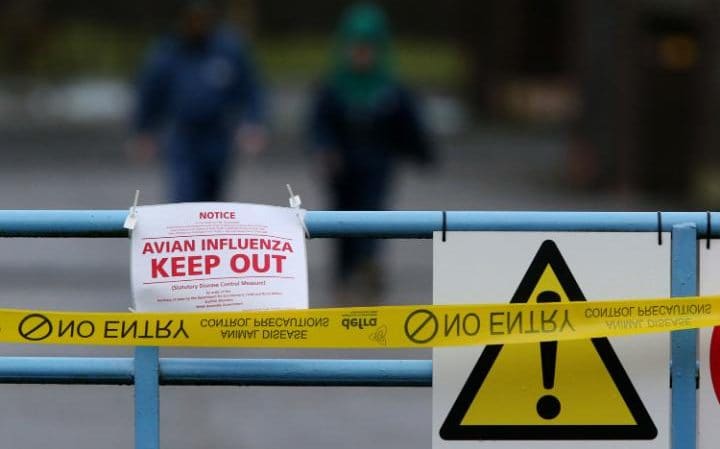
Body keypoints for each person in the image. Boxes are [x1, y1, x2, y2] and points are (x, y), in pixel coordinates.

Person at [309, 3, 433, 301]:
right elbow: (318, 124)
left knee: (373, 216)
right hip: (341, 168)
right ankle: (343, 274)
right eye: (356, 47)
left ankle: (367, 267)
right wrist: (324, 149)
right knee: (340, 220)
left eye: (368, 48)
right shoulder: (334, 86)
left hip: (377, 165)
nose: (361, 54)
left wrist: (423, 154)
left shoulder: (390, 88)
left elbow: (409, 127)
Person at [130, 1, 266, 202]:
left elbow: (251, 89)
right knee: (184, 196)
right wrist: (143, 130)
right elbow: (150, 92)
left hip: (218, 134)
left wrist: (253, 122)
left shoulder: (228, 50)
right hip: (183, 136)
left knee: (213, 200)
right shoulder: (167, 52)